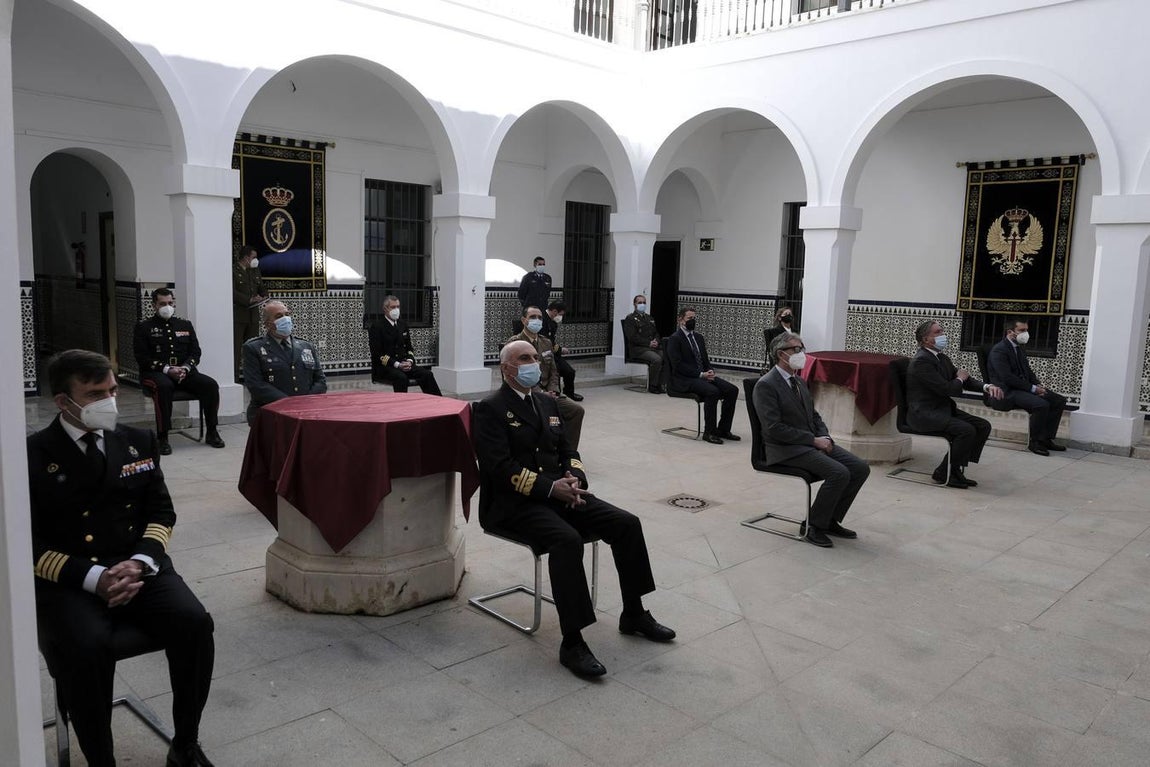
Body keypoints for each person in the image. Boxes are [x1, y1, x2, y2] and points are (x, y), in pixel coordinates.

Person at [28, 350, 215, 767]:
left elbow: (161, 513)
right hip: (72, 578)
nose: (109, 400)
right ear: (63, 402)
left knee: (195, 624)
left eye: (112, 389)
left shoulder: (137, 440)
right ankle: (101, 760)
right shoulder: (32, 455)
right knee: (88, 648)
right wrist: (94, 577)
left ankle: (185, 743)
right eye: (96, 394)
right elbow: (27, 543)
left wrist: (140, 562)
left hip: (138, 564)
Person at [473, 340, 675, 677]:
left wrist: (575, 478)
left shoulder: (547, 402)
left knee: (626, 522)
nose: (533, 363)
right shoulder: (490, 408)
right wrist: (552, 488)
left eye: (535, 358)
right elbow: (499, 468)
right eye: (524, 358)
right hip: (515, 504)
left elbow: (569, 449)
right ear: (505, 367)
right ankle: (572, 641)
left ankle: (634, 613)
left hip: (562, 492)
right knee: (566, 540)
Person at [754, 333, 870, 547]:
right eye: (796, 350)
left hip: (809, 442)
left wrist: (824, 435)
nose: (802, 354)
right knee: (839, 473)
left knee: (860, 468)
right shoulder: (766, 385)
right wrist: (813, 441)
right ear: (781, 354)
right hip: (786, 448)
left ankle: (829, 520)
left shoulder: (798, 380)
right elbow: (774, 429)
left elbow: (814, 415)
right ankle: (813, 526)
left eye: (802, 348)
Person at [906, 319, 1003, 488]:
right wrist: (960, 378)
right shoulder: (922, 361)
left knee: (982, 425)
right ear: (925, 339)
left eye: (942, 331)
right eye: (937, 332)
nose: (943, 335)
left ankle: (954, 468)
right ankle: (946, 472)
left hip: (942, 409)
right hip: (925, 414)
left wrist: (987, 386)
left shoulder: (941, 358)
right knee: (966, 431)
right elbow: (948, 389)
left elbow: (965, 380)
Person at [133, 288, 225, 454]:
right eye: (162, 303)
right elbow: (142, 358)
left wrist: (185, 367)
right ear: (154, 305)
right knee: (164, 387)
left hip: (185, 372)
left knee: (210, 385)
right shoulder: (144, 327)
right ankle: (163, 437)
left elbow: (195, 352)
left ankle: (212, 432)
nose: (167, 306)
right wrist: (167, 369)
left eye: (170, 303)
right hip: (155, 373)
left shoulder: (184, 325)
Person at [507, 305, 585, 448]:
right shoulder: (515, 343)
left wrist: (553, 390)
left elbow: (554, 371)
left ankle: (568, 453)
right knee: (547, 415)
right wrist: (542, 394)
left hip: (549, 392)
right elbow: (514, 375)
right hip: (527, 393)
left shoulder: (546, 342)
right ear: (524, 320)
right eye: (532, 317)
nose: (537, 320)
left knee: (576, 410)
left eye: (539, 317)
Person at [987, 318, 1068, 455]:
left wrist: (1037, 384)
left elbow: (1028, 371)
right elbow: (1008, 378)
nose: (1026, 333)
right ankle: (1035, 442)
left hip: (1022, 389)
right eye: (1022, 330)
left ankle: (1046, 439)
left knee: (1058, 400)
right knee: (1041, 405)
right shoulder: (999, 351)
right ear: (1010, 332)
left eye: (1026, 330)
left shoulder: (1019, 348)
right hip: (1006, 392)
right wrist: (1033, 389)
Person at [241, 300, 327, 424]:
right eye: (279, 316)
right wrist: (288, 403)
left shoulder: (306, 346)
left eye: (287, 314)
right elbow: (255, 384)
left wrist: (307, 402)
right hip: (270, 415)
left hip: (306, 412)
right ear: (267, 324)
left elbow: (320, 380)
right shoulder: (254, 348)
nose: (286, 319)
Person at [665, 306, 740, 444]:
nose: (692, 321)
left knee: (732, 390)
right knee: (713, 392)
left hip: (702, 375)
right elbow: (678, 366)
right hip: (684, 379)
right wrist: (701, 374)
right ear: (680, 320)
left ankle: (723, 429)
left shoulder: (698, 337)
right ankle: (709, 432)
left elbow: (705, 360)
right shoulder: (675, 339)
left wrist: (710, 371)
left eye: (694, 318)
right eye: (689, 318)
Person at [368, 294, 442, 396]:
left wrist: (410, 361)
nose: (396, 309)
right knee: (401, 377)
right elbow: (377, 354)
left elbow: (409, 347)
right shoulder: (377, 327)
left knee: (427, 374)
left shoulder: (402, 325)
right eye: (393, 307)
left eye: (398, 307)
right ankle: (402, 407)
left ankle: (438, 403)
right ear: (385, 309)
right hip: (386, 367)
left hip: (405, 364)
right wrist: (398, 365)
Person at [232, 244, 265, 374]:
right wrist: (248, 300)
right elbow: (232, 292)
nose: (256, 260)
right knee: (236, 348)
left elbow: (261, 286)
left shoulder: (255, 270)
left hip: (253, 316)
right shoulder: (233, 270)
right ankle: (233, 377)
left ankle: (251, 376)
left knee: (253, 348)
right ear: (246, 258)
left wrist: (264, 296)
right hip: (239, 316)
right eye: (253, 257)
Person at [622, 294, 664, 393]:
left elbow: (656, 333)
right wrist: (648, 343)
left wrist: (656, 341)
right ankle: (652, 386)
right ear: (634, 304)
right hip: (638, 349)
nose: (642, 304)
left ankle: (659, 384)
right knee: (656, 359)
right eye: (639, 302)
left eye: (644, 302)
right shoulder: (630, 319)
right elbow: (632, 337)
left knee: (665, 356)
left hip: (651, 348)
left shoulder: (649, 318)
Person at [541, 301, 582, 401]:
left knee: (570, 372)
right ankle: (556, 396)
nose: (560, 317)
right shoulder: (542, 320)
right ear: (554, 311)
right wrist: (560, 349)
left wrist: (558, 349)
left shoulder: (552, 321)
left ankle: (569, 393)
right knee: (556, 372)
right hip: (544, 354)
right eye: (560, 314)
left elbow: (552, 341)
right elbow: (545, 341)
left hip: (554, 354)